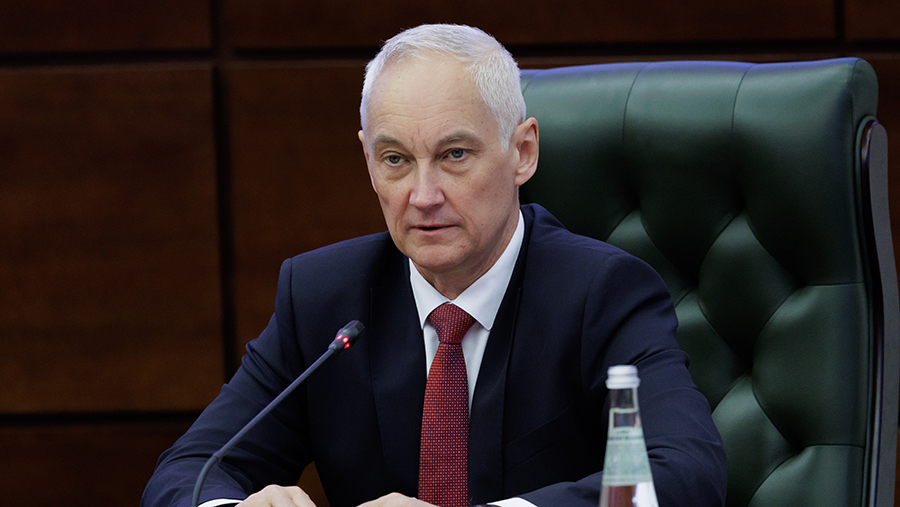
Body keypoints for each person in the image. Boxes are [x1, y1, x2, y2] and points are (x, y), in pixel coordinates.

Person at [142, 24, 726, 507]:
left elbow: (686, 474)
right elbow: (186, 474)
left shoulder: (603, 293)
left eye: (455, 154)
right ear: (368, 162)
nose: (422, 196)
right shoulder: (323, 299)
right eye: (395, 159)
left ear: (522, 152)